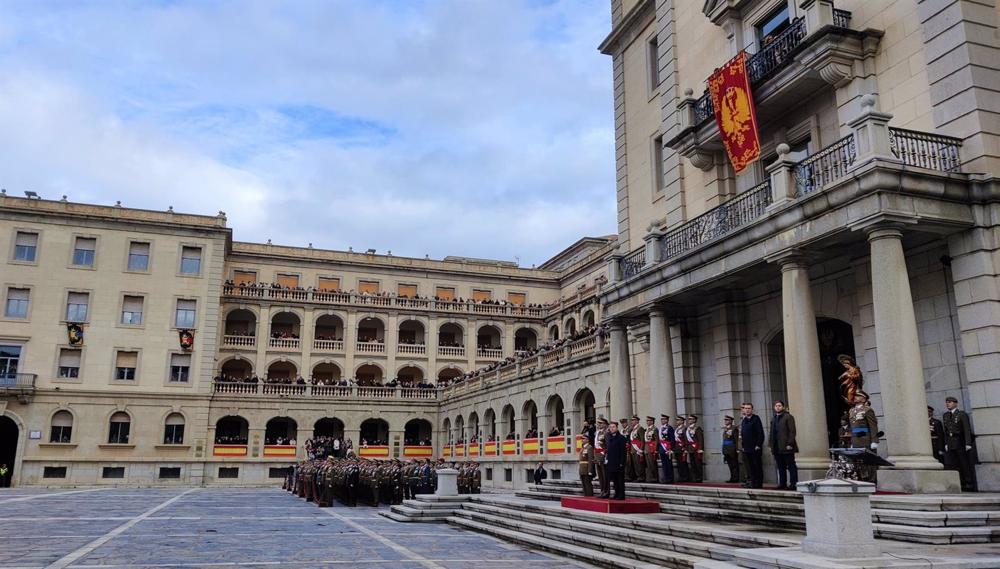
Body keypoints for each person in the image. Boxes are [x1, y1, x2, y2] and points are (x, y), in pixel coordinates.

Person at [943, 396, 976, 491]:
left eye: (950, 402)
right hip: (950, 442)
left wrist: (968, 443)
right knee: (953, 464)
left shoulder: (961, 414)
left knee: (964, 463)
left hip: (960, 441)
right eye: (947, 402)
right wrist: (946, 443)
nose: (948, 404)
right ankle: (959, 482)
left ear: (955, 403)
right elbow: (946, 431)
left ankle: (968, 483)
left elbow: (966, 429)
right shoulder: (946, 415)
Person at [770, 400, 798, 490]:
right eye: (776, 406)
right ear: (774, 407)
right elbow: (772, 433)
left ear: (783, 407)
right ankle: (782, 483)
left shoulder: (788, 417)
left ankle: (793, 484)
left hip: (787, 446)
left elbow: (792, 431)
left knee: (791, 465)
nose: (778, 407)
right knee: (780, 466)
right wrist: (771, 445)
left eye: (779, 406)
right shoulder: (774, 418)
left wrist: (790, 443)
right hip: (777, 446)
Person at [740, 402, 765, 489]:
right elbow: (743, 434)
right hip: (747, 448)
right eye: (745, 408)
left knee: (757, 466)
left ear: (752, 409)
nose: (747, 410)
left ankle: (758, 483)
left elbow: (760, 433)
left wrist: (758, 444)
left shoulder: (756, 419)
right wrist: (743, 446)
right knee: (750, 467)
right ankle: (753, 482)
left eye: (749, 408)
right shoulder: (744, 420)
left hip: (755, 447)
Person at [604, 420, 627, 500]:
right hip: (611, 463)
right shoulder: (610, 438)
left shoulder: (621, 438)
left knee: (620, 479)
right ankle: (616, 493)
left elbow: (623, 452)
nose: (612, 428)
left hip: (619, 462)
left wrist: (622, 462)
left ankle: (621, 495)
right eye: (610, 427)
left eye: (613, 427)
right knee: (614, 480)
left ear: (617, 428)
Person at [685, 415, 704, 483]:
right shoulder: (688, 429)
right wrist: (686, 448)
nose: (690, 420)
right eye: (689, 419)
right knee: (692, 464)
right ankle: (695, 477)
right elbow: (687, 440)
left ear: (694, 420)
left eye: (691, 419)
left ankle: (699, 477)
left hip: (696, 448)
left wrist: (700, 448)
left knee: (698, 464)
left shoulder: (697, 428)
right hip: (690, 449)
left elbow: (700, 439)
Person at [721, 415, 740, 483]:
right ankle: (732, 477)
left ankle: (736, 478)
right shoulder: (725, 429)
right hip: (726, 449)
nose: (726, 421)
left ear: (731, 421)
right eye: (725, 420)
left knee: (734, 464)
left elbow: (736, 439)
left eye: (727, 420)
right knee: (730, 465)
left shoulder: (734, 428)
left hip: (732, 449)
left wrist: (737, 449)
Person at [594, 416, 610, 498]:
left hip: (603, 455)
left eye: (601, 423)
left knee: (605, 475)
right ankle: (602, 490)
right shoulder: (598, 433)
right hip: (597, 455)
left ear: (605, 424)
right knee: (600, 475)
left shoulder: (606, 433)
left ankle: (606, 491)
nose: (599, 425)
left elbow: (608, 445)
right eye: (598, 423)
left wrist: (606, 456)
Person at [626, 415, 645, 482]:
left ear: (637, 421)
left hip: (638, 449)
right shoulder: (632, 429)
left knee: (639, 464)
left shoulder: (640, 428)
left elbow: (642, 440)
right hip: (633, 449)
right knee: (635, 464)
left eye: (633, 420)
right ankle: (637, 476)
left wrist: (641, 449)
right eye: (631, 420)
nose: (632, 422)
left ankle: (641, 477)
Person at [657, 414, 674, 484]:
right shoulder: (660, 428)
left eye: (664, 419)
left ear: (667, 420)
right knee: (664, 464)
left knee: (668, 464)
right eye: (662, 419)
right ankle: (665, 477)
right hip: (662, 449)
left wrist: (670, 448)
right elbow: (659, 440)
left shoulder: (669, 428)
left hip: (667, 449)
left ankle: (670, 478)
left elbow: (672, 439)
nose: (662, 421)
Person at [642, 416, 659, 483]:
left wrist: (655, 449)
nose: (647, 422)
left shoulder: (655, 429)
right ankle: (650, 477)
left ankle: (654, 477)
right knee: (648, 464)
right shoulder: (646, 429)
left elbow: (656, 440)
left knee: (652, 463)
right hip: (646, 447)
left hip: (652, 447)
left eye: (649, 421)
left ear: (652, 421)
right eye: (647, 421)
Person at [673, 416, 689, 482]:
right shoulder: (676, 429)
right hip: (677, 448)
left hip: (682, 448)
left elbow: (686, 439)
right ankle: (681, 476)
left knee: (683, 463)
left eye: (679, 420)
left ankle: (685, 477)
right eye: (677, 420)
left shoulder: (684, 428)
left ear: (682, 421)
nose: (677, 422)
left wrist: (685, 448)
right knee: (679, 464)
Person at [579, 432, 595, 497]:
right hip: (582, 469)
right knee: (584, 485)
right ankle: (585, 496)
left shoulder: (589, 448)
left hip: (587, 469)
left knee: (588, 484)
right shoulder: (582, 448)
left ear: (587, 440)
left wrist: (590, 471)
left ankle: (589, 496)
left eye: (584, 439)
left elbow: (590, 460)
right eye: (582, 439)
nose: (582, 440)